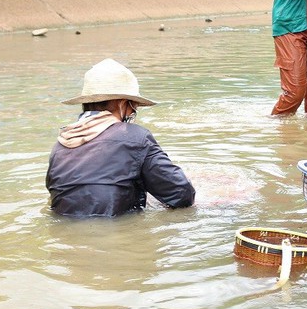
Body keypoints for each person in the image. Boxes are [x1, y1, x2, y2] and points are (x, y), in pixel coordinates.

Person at [46, 58, 195, 217]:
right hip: (114, 233)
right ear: (122, 104)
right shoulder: (137, 137)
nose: (133, 113)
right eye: (133, 106)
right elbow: (181, 194)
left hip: (67, 236)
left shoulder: (61, 144)